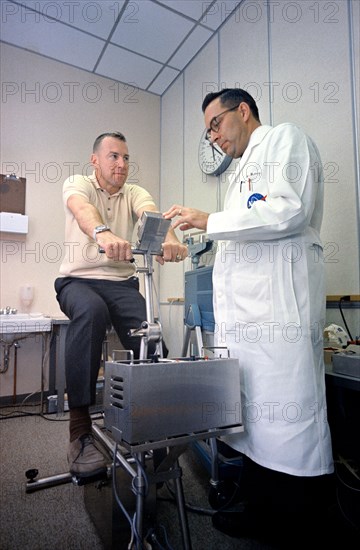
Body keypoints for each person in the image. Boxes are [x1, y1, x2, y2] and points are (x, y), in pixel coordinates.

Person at [163, 89, 334, 547]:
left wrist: (208, 219)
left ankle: (300, 524)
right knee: (255, 422)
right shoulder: (239, 175)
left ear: (243, 111)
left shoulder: (284, 140)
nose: (213, 136)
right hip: (249, 324)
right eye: (207, 131)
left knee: (289, 423)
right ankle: (259, 512)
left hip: (280, 316)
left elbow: (288, 209)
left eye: (216, 124)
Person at [55, 131, 187, 478]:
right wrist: (103, 233)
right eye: (113, 156)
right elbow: (81, 209)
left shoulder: (134, 192)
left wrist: (169, 240)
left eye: (126, 158)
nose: (121, 164)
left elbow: (151, 215)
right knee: (91, 312)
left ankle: (159, 425)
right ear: (95, 160)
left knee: (148, 330)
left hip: (121, 282)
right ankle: (79, 431)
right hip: (77, 280)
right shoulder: (78, 183)